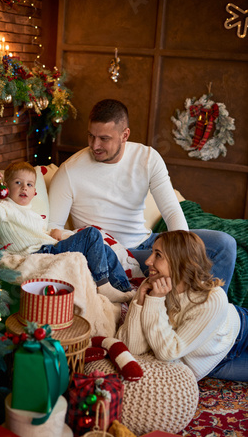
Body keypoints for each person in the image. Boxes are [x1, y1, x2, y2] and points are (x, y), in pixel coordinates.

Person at [48, 99, 237, 293]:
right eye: (91, 136)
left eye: (104, 138)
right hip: (116, 256)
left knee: (224, 244)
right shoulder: (70, 171)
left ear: (125, 135)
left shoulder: (147, 158)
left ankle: (210, 310)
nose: (94, 145)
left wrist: (179, 252)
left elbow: (171, 210)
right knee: (166, 264)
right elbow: (53, 229)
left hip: (150, 242)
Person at [0, 161, 134, 303]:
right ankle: (104, 285)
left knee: (103, 248)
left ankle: (125, 289)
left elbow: (32, 233)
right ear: (5, 187)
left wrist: (51, 235)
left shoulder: (31, 212)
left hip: (49, 247)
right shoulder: (4, 207)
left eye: (29, 184)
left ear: (34, 191)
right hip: (38, 254)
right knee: (91, 234)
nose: (24, 188)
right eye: (18, 183)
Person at [116, 230, 247, 382]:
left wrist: (154, 302)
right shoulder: (153, 287)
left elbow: (168, 352)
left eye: (158, 255)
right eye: (152, 252)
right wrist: (140, 302)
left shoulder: (212, 298)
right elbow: (132, 349)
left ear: (179, 261)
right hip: (213, 361)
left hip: (238, 331)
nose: (148, 261)